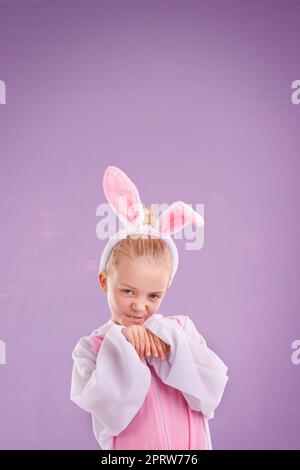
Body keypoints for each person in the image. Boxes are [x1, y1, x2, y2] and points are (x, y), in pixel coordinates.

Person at [70, 166, 228, 450]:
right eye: (128, 291)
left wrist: (168, 340)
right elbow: (111, 413)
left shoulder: (181, 331)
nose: (140, 306)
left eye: (154, 296)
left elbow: (209, 393)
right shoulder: (91, 349)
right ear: (105, 281)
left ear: (166, 289)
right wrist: (122, 343)